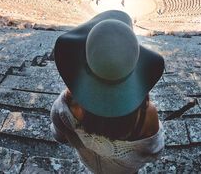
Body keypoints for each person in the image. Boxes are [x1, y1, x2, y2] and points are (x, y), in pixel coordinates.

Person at [51, 10, 165, 174]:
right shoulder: (147, 116)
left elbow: (59, 136)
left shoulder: (65, 107)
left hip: (90, 165)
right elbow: (155, 152)